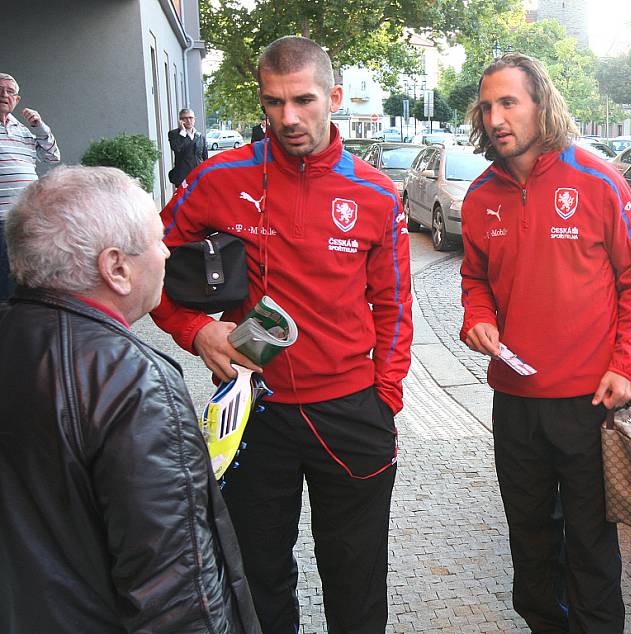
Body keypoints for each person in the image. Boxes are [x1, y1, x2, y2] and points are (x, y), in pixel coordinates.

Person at [151, 36, 413, 633]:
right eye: (274, 102)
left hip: (350, 412)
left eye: (303, 100)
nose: (288, 118)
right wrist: (195, 331)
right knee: (256, 577)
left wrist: (385, 399)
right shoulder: (219, 178)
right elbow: (147, 268)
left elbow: (394, 304)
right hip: (253, 413)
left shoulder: (374, 192)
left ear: (334, 98)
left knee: (356, 576)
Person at [0, 165, 260, 633]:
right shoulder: (135, 385)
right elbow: (176, 593)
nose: (166, 253)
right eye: (158, 240)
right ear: (116, 268)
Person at [459, 53, 631, 633]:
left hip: (588, 405)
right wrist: (476, 316)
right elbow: (474, 278)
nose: (496, 118)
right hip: (514, 403)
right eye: (488, 105)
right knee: (529, 540)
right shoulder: (479, 197)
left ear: (541, 104)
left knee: (593, 547)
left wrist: (627, 365)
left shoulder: (598, 181)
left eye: (509, 103)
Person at [0, 72, 60, 301]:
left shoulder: (24, 131)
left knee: (30, 271)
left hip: (28, 215)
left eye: (10, 91)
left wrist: (40, 126)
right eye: (0, 89)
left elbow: (53, 157)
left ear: (17, 99)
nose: (4, 95)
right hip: (2, 217)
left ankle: (26, 318)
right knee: (6, 279)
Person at [168, 107, 208, 186]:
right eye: (185, 118)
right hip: (183, 178)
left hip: (199, 176)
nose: (188, 120)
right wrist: (182, 132)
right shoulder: (174, 134)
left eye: (190, 118)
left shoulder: (200, 136)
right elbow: (176, 148)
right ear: (180, 120)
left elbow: (205, 158)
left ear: (194, 119)